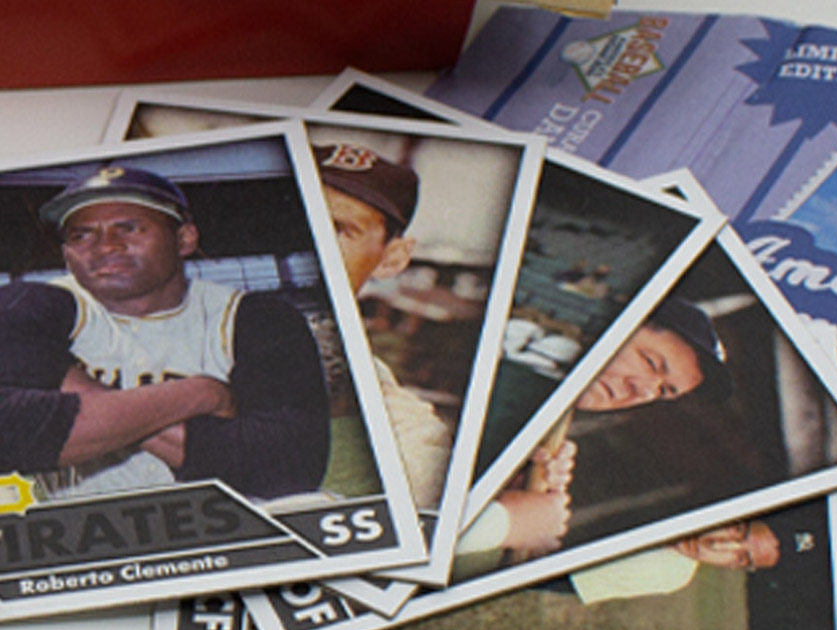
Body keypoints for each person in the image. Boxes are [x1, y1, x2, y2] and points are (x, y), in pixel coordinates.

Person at [0, 163, 329, 499]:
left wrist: (76, 402)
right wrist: (200, 394)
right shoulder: (27, 306)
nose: (105, 246)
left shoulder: (254, 318)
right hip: (87, 531)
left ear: (184, 238)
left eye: (129, 228)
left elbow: (290, 466)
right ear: (67, 254)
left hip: (227, 523)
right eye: (81, 235)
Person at [461, 292, 733, 559]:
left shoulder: (534, 415)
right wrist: (504, 523)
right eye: (650, 362)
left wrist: (507, 487)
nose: (643, 389)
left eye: (663, 391)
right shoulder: (495, 350)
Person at [312, 143, 452, 509]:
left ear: (392, 258)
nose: (305, 242)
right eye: (290, 217)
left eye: (338, 230)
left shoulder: (398, 428)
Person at [563, 519, 781, 605]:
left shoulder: (672, 576)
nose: (717, 545)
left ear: (732, 567)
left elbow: (567, 581)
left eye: (739, 557)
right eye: (736, 531)